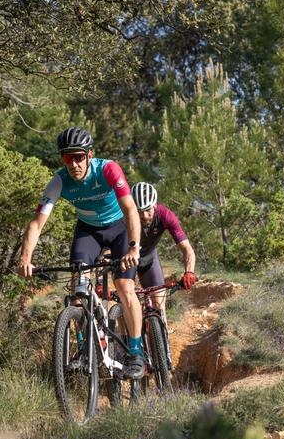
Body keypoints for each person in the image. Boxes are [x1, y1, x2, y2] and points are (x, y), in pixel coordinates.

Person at [18, 127, 145, 379]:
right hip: (88, 231)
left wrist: (133, 246)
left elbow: (130, 209)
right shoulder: (59, 180)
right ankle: (85, 349)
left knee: (124, 286)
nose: (74, 164)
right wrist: (25, 257)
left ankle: (135, 352)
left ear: (90, 155)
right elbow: (37, 223)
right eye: (68, 158)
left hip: (119, 228)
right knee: (77, 289)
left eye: (78, 157)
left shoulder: (108, 169)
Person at [131, 182, 196, 318]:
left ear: (155, 205)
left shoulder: (165, 215)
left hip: (148, 257)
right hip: (126, 258)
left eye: (148, 209)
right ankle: (125, 336)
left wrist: (189, 272)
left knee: (159, 304)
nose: (144, 216)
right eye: (139, 211)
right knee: (126, 300)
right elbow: (107, 245)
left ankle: (162, 336)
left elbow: (187, 248)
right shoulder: (124, 217)